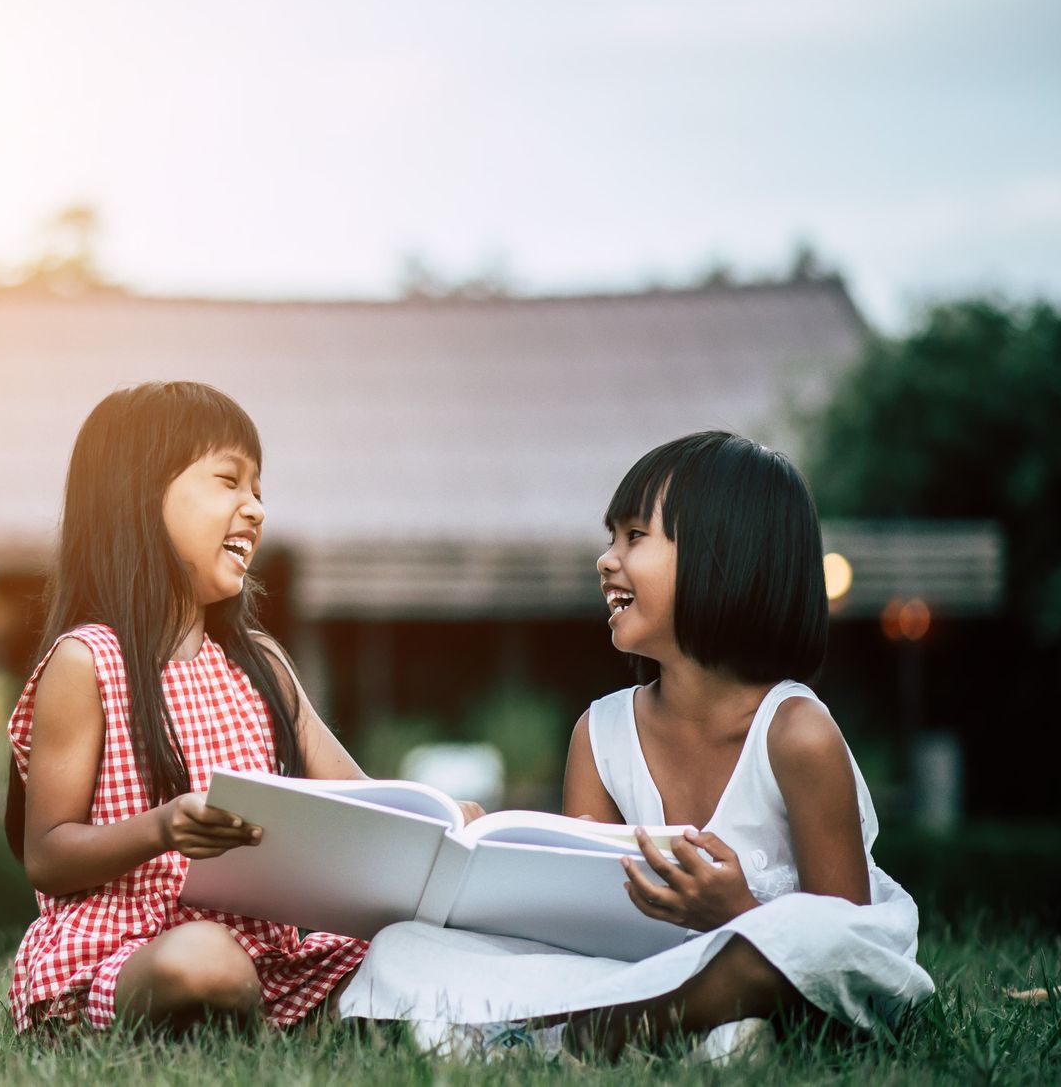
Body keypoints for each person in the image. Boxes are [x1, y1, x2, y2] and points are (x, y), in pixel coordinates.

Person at [340, 430, 935, 1062]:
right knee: (403, 946)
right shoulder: (599, 734)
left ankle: (601, 1033)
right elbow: (573, 925)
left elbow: (840, 940)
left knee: (800, 944)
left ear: (720, 556)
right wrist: (497, 858)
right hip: (643, 971)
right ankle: (679, 1029)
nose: (606, 559)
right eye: (610, 538)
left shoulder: (796, 733)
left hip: (769, 970)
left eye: (634, 537)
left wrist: (737, 910)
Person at [4, 381, 370, 1033]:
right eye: (228, 481)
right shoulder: (88, 662)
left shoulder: (262, 662)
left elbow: (363, 800)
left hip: (268, 958)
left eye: (258, 489)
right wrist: (163, 827)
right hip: (128, 953)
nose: (254, 508)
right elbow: (48, 854)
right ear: (139, 499)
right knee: (203, 960)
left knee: (410, 946)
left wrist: (447, 824)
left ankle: (265, 1014)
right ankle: (277, 1017)